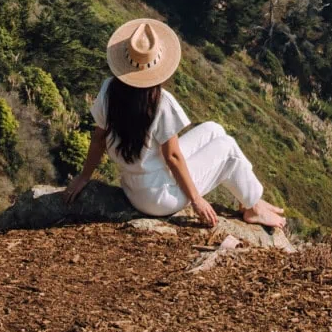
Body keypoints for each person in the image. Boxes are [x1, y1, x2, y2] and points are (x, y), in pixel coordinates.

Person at [63, 18, 286, 228]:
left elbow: (98, 139)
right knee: (227, 148)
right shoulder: (159, 102)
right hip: (160, 198)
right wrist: (196, 199)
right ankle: (253, 207)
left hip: (133, 186)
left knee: (213, 129)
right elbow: (173, 157)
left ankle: (250, 197)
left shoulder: (109, 90)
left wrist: (84, 177)